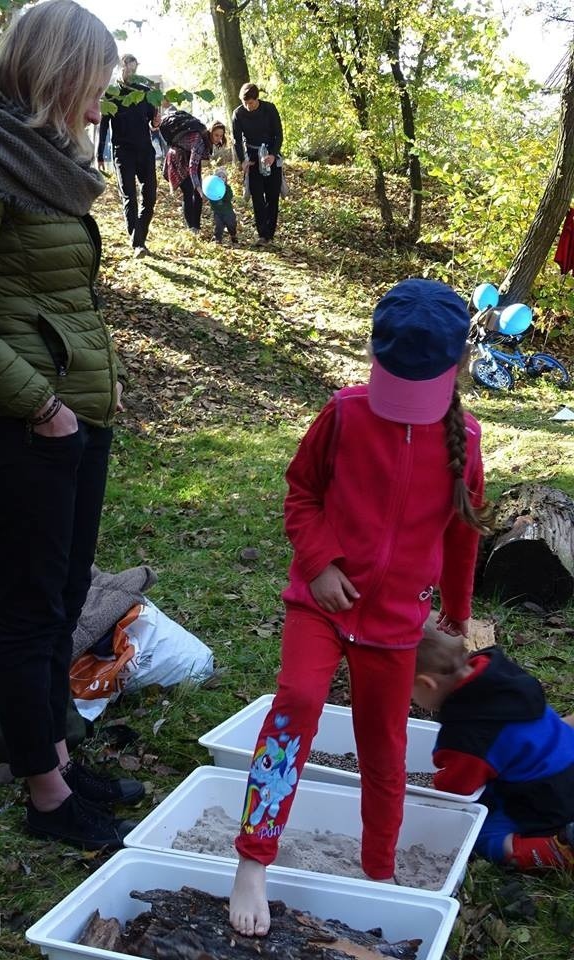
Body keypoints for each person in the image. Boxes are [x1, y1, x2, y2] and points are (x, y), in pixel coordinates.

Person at [0, 0, 144, 850]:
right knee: (29, 613)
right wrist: (42, 405)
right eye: (95, 82)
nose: (103, 100)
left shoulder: (35, 155)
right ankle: (47, 801)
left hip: (74, 417)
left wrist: (78, 403)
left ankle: (56, 755)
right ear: (57, 72)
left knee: (60, 605)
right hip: (26, 427)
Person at [229, 278, 489, 937]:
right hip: (320, 605)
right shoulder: (343, 414)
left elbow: (463, 536)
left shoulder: (468, 442)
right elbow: (300, 494)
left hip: (398, 622)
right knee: (297, 704)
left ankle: (378, 871)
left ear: (456, 369)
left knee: (386, 747)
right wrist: (319, 564)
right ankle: (253, 859)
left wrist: (457, 616)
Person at [413, 617, 574, 871]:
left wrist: (434, 788)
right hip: (563, 755)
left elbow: (458, 789)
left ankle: (554, 850)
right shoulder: (497, 670)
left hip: (545, 795)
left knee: (480, 833)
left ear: (426, 684)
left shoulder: (467, 735)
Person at [97, 54, 159, 258]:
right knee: (129, 197)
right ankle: (138, 245)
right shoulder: (112, 94)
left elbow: (153, 121)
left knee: (150, 197)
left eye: (134, 70)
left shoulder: (144, 92)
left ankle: (137, 238)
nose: (131, 74)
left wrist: (156, 121)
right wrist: (99, 155)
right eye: (128, 70)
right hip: (123, 152)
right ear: (120, 69)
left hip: (145, 150)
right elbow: (104, 126)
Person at [232, 83, 283, 245]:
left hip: (270, 153)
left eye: (251, 103)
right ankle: (262, 234)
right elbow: (237, 140)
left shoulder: (269, 109)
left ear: (257, 99)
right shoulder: (238, 114)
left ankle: (270, 233)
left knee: (272, 195)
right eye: (245, 103)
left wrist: (273, 155)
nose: (248, 106)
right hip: (253, 156)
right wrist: (243, 160)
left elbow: (279, 134)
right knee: (257, 196)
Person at [162, 115, 213, 235]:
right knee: (189, 191)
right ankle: (191, 227)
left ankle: (197, 226)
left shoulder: (206, 141)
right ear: (210, 133)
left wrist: (199, 188)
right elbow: (192, 168)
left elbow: (197, 162)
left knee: (198, 195)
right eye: (216, 135)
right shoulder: (199, 141)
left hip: (190, 156)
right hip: (178, 158)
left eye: (221, 136)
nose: (218, 138)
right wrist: (199, 187)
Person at [208, 167, 237, 245]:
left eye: (223, 177)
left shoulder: (227, 188)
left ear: (226, 179)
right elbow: (210, 197)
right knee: (218, 226)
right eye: (219, 176)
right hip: (217, 211)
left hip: (228, 212)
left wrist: (223, 195)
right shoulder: (213, 189)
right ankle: (218, 239)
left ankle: (233, 235)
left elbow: (229, 197)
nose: (221, 178)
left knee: (231, 224)